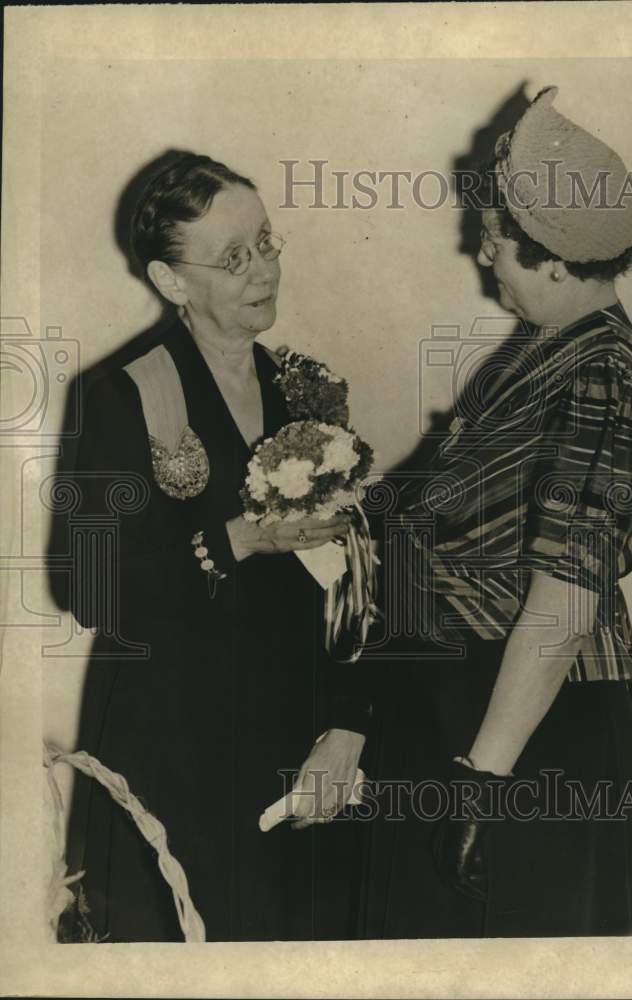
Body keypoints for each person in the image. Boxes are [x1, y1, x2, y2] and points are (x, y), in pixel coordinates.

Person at [361, 87, 632, 938]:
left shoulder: (598, 376)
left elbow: (564, 606)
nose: (482, 253)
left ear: (559, 262)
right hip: (478, 711)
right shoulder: (541, 347)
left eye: (496, 243)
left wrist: (481, 789)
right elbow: (444, 502)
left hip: (532, 736)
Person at [58, 152, 371, 942]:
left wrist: (348, 725)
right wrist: (233, 540)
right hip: (172, 753)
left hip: (297, 746)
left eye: (266, 242)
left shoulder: (304, 390)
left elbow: (358, 575)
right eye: (232, 258)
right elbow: (87, 587)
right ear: (171, 282)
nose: (262, 268)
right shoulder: (120, 395)